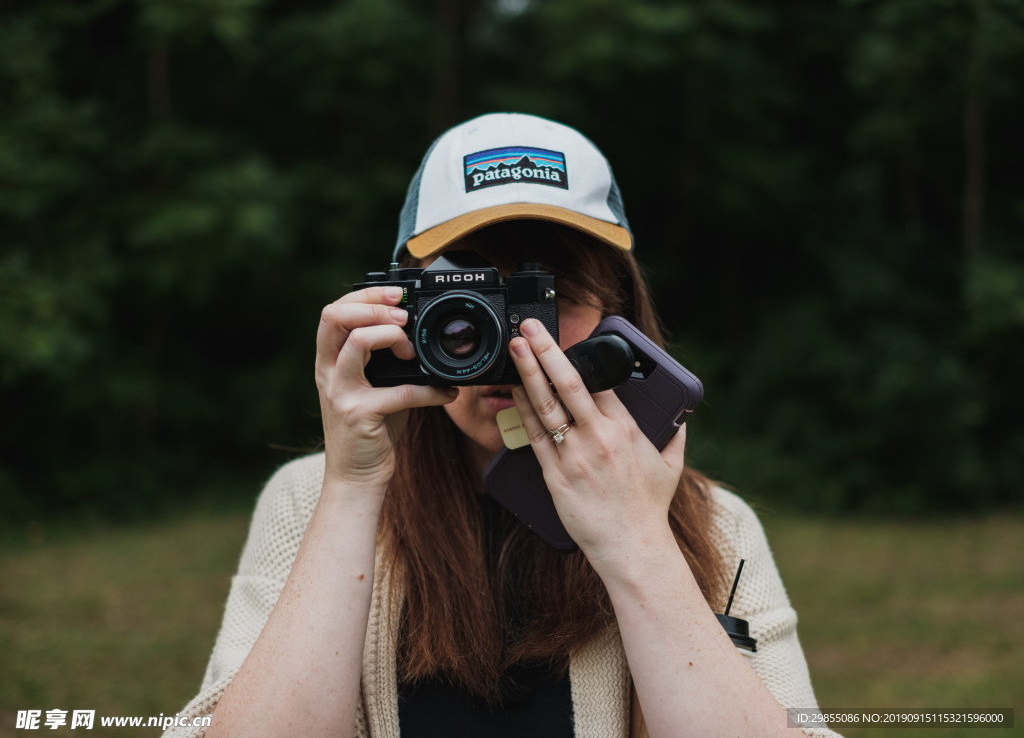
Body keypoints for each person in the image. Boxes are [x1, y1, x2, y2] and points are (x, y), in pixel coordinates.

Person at [166, 113, 840, 738]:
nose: (514, 343)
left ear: (622, 321)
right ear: (397, 308)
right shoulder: (312, 499)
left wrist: (638, 543)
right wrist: (351, 488)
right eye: (470, 303)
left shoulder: (714, 525)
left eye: (549, 298)